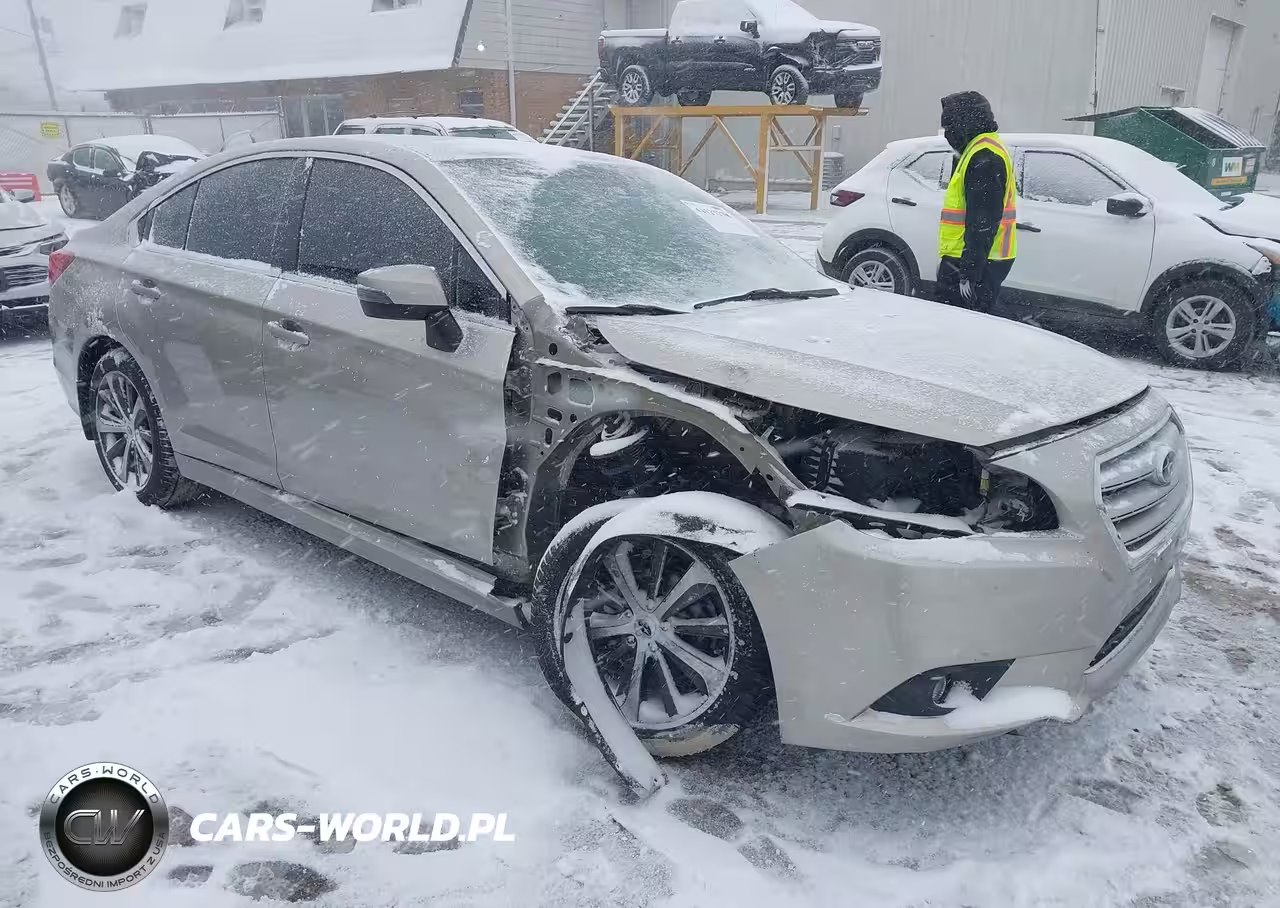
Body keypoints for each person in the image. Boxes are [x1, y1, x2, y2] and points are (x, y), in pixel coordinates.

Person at [936, 91, 1017, 314]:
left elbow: (982, 223)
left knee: (963, 327)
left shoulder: (985, 158)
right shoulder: (978, 149)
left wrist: (968, 273)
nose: (947, 134)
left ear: (964, 122)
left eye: (949, 126)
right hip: (975, 259)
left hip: (979, 262)